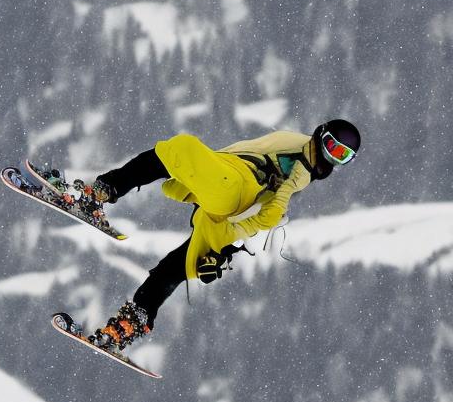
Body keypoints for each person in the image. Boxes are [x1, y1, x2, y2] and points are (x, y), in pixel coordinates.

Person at [70, 120, 361, 351]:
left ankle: (100, 193)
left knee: (178, 150)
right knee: (179, 263)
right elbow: (249, 163)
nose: (329, 157)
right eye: (330, 146)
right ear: (319, 134)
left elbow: (268, 215)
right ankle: (131, 322)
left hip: (233, 202)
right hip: (232, 185)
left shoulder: (303, 175)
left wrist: (225, 248)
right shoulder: (297, 151)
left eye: (341, 156)